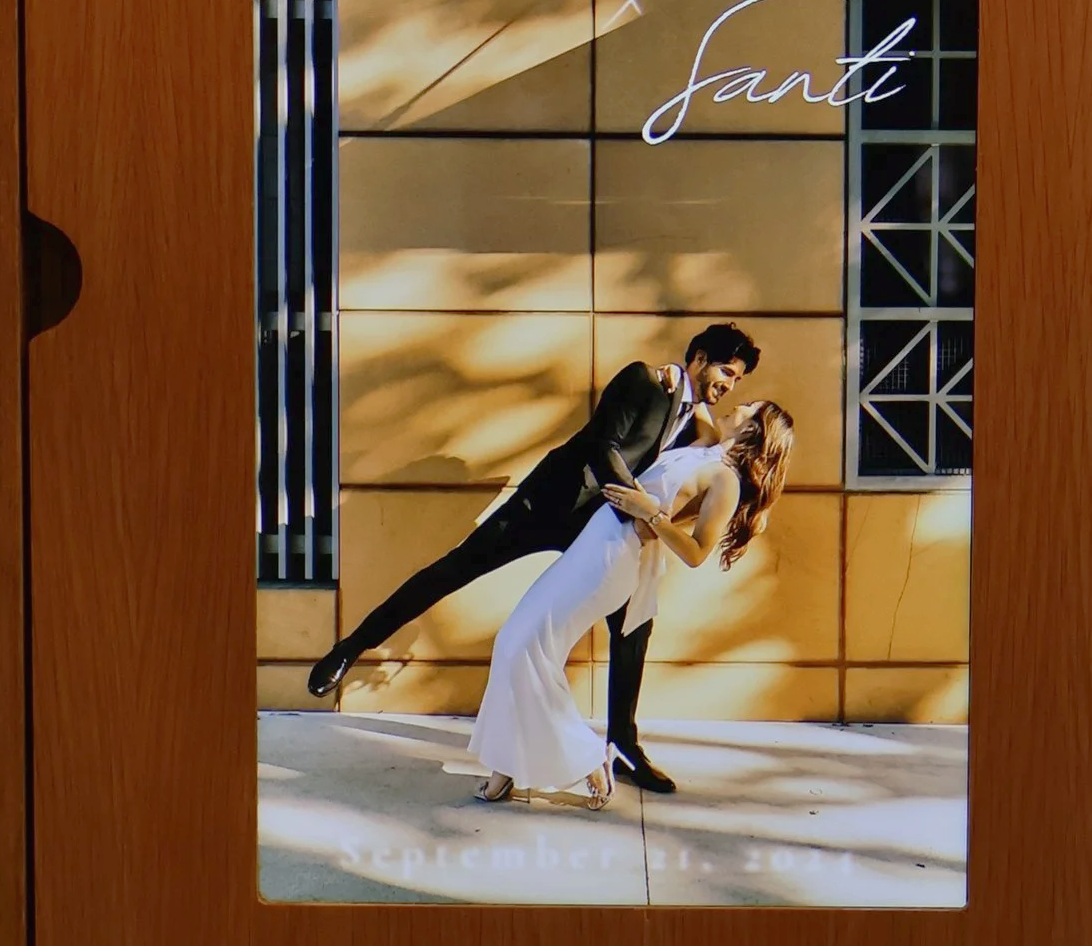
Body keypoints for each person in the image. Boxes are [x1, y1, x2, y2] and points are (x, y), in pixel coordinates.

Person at [308, 325, 760, 794]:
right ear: (700, 356)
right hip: (549, 504)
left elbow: (705, 431)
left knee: (633, 626)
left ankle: (623, 744)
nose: (729, 384)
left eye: (737, 381)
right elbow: (603, 447)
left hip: (602, 529)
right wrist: (641, 502)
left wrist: (646, 502)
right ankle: (351, 647)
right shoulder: (644, 379)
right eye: (726, 371)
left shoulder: (695, 418)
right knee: (454, 569)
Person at [465, 400, 797, 805]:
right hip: (594, 540)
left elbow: (695, 554)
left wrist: (653, 513)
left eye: (749, 408)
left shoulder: (727, 483)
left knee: (525, 649)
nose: (738, 403)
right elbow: (695, 391)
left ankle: (586, 760)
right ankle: (509, 766)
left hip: (613, 558)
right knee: (516, 644)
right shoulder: (708, 445)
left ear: (755, 431)